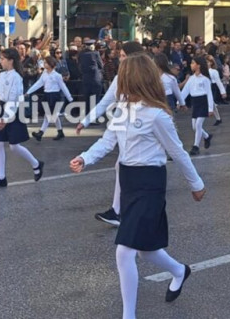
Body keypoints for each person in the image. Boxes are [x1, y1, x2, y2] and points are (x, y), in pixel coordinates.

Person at [69, 54, 206, 319]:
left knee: (124, 251)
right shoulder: (122, 109)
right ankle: (179, 270)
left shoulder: (157, 115)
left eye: (122, 75)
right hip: (129, 181)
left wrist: (196, 184)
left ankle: (128, 315)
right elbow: (108, 142)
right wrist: (85, 158)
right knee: (145, 249)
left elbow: (177, 152)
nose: (117, 80)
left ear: (134, 79)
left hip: (150, 183)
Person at [76, 41, 146, 227]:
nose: (120, 58)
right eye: (120, 55)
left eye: (123, 56)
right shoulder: (118, 78)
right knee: (119, 164)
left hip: (140, 127)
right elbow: (105, 102)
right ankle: (117, 211)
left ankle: (126, 210)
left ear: (133, 57)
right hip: (121, 120)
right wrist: (86, 120)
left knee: (129, 166)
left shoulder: (146, 78)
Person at [0, 47, 44, 188]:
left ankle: (36, 163)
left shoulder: (16, 77)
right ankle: (1, 177)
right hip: (1, 107)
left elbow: (14, 99)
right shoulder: (1, 75)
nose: (1, 61)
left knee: (14, 146)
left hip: (13, 111)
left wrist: (5, 118)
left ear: (11, 60)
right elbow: (1, 95)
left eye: (3, 58)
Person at [28, 56, 73, 142]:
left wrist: (69, 97)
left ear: (51, 64)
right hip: (47, 96)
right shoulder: (44, 74)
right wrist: (29, 92)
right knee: (52, 115)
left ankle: (40, 133)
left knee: (50, 115)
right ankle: (60, 132)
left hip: (55, 96)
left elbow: (63, 87)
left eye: (46, 63)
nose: (44, 64)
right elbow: (38, 84)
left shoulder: (57, 76)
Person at [179, 56, 214, 156]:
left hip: (203, 102)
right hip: (195, 102)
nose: (191, 65)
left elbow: (209, 93)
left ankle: (196, 146)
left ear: (198, 65)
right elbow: (185, 90)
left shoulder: (205, 79)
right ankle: (207, 136)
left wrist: (210, 108)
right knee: (194, 127)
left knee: (198, 124)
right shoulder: (191, 79)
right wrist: (180, 102)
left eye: (193, 63)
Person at [78, 39, 104, 115]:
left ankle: (87, 116)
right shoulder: (96, 53)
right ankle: (94, 116)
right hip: (95, 79)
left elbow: (79, 66)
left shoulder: (81, 54)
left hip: (86, 79)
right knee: (95, 99)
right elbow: (100, 65)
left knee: (87, 99)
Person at [206, 55, 226, 125]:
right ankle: (218, 118)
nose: (207, 63)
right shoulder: (203, 71)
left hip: (212, 86)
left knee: (211, 101)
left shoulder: (214, 71)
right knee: (212, 102)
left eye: (208, 62)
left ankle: (217, 117)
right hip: (206, 87)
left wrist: (222, 91)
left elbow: (218, 81)